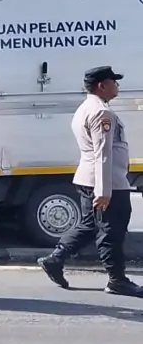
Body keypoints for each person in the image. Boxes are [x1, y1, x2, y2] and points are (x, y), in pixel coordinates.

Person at [37, 66, 143, 296]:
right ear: (101, 86)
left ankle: (56, 259)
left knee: (89, 225)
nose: (118, 85)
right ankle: (117, 280)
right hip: (107, 182)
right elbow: (102, 153)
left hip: (90, 178)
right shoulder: (101, 113)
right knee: (111, 231)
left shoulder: (85, 108)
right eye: (113, 81)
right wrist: (104, 191)